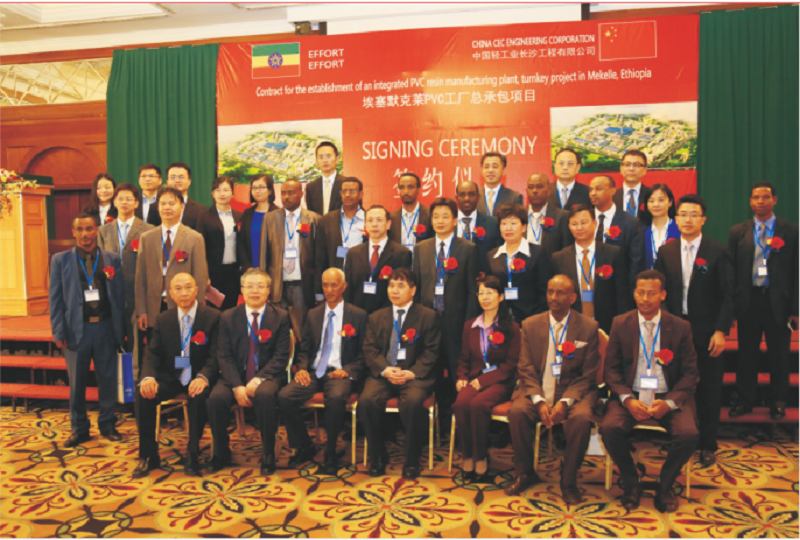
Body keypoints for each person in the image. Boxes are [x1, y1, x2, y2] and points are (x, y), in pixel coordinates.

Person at [601, 270, 700, 514]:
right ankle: (631, 482)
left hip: (667, 396)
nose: (645, 299)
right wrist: (627, 400)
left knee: (689, 434)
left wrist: (669, 403)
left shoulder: (680, 327)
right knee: (609, 428)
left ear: (662, 295)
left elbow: (690, 374)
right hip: (631, 394)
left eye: (651, 293)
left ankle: (664, 486)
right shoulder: (620, 323)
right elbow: (611, 370)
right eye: (640, 292)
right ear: (634, 293)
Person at [654, 194, 734, 468]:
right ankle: (678, 438)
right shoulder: (666, 251)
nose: (687, 219)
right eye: (683, 214)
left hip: (707, 332)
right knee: (673, 386)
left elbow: (728, 295)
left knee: (708, 389)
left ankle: (708, 444)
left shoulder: (717, 251)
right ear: (676, 219)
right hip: (673, 331)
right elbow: (659, 292)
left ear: (703, 219)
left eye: (693, 215)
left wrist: (721, 331)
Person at [505, 275, 599, 503]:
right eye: (550, 292)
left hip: (573, 391)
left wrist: (565, 402)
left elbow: (587, 374)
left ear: (573, 298)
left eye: (560, 293)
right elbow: (525, 367)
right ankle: (525, 472)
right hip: (536, 388)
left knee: (582, 418)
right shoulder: (530, 324)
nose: (553, 297)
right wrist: (538, 400)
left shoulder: (588, 327)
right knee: (517, 411)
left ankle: (568, 480)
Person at [277, 268, 368, 476]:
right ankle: (305, 445)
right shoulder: (314, 314)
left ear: (344, 286)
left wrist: (348, 370)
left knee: (335, 397)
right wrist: (301, 368)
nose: (329, 290)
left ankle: (330, 452)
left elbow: (365, 353)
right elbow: (305, 349)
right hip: (314, 372)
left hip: (339, 373)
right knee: (284, 396)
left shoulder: (358, 315)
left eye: (334, 285)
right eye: (325, 285)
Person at [133, 273, 219, 478]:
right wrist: (148, 377)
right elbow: (152, 352)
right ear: (170, 294)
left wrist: (204, 377)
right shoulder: (163, 319)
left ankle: (193, 453)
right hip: (171, 377)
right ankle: (148, 455)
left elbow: (216, 355)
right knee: (143, 393)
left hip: (198, 376)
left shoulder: (213, 317)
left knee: (198, 396)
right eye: (178, 289)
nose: (184, 293)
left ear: (196, 290)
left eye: (188, 287)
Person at [49, 213, 125, 447]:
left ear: (97, 231)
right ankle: (79, 428)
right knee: (77, 383)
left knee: (108, 380)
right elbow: (55, 299)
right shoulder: (60, 260)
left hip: (105, 328)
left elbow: (120, 297)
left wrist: (120, 330)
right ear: (73, 232)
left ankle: (108, 424)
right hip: (75, 330)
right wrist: (58, 332)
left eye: (89, 229)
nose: (85, 234)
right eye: (80, 229)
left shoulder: (112, 259)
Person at [207, 268, 292, 474]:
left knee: (265, 395)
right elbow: (224, 355)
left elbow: (281, 356)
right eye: (250, 286)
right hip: (235, 374)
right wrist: (237, 385)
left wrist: (258, 379)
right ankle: (221, 451)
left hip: (268, 375)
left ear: (268, 290)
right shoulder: (228, 316)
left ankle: (268, 453)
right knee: (216, 398)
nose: (255, 291)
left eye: (260, 286)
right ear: (242, 290)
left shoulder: (280, 316)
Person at [359, 268, 441, 479]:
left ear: (413, 290)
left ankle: (412, 460)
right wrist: (385, 370)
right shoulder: (376, 317)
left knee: (412, 403)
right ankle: (378, 456)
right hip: (384, 374)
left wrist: (411, 373)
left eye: (400, 286)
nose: (394, 290)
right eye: (391, 285)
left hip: (414, 376)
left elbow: (431, 352)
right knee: (366, 401)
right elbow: (369, 349)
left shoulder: (428, 316)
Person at [728, 182, 798, 420]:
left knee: (779, 355)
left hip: (778, 304)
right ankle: (744, 400)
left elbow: (797, 272)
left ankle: (778, 402)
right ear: (750, 201)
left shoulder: (791, 231)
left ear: (774, 200)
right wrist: (733, 305)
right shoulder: (738, 232)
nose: (760, 201)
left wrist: (795, 309)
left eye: (765, 197)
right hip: (749, 301)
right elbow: (732, 271)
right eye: (756, 197)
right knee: (746, 354)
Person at [414, 197, 479, 411]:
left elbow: (472, 291)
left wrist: (468, 325)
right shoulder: (421, 248)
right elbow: (417, 288)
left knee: (455, 375)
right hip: (428, 323)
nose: (440, 221)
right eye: (436, 217)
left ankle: (456, 420)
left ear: (454, 220)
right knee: (430, 375)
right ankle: (434, 422)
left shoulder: (468, 249)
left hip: (455, 324)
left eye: (445, 216)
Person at [453, 275, 520, 482]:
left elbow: (510, 365)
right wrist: (462, 376)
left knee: (478, 404)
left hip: (500, 381)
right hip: (475, 379)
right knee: (460, 403)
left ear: (501, 297)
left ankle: (481, 456)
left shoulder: (512, 328)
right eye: (481, 293)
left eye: (490, 293)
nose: (485, 297)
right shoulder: (470, 326)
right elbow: (464, 358)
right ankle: (467, 455)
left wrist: (484, 381)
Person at [135, 186, 209, 368]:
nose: (167, 207)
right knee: (156, 353)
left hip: (183, 305)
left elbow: (200, 278)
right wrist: (142, 311)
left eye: (172, 203)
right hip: (154, 306)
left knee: (181, 350)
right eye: (163, 204)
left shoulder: (194, 237)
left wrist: (197, 311)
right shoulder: (147, 237)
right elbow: (140, 278)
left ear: (181, 206)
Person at [98, 183, 154, 368]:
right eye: (120, 199)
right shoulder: (104, 230)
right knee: (113, 335)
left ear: (136, 203)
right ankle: (115, 377)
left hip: (136, 290)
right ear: (114, 202)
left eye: (129, 199)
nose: (124, 202)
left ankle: (134, 377)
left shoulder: (148, 229)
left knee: (135, 337)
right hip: (111, 291)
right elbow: (100, 262)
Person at [551, 205, 629, 334]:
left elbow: (622, 294)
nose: (579, 228)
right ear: (569, 227)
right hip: (571, 324)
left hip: (608, 324)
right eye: (574, 224)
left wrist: (621, 325)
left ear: (595, 223)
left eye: (584, 222)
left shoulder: (613, 253)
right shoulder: (559, 258)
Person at [260, 179, 320, 342]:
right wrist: (264, 286)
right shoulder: (270, 218)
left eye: (291, 193)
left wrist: (318, 290)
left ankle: (302, 358)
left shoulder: (314, 219)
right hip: (277, 287)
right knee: (277, 335)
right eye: (283, 193)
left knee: (302, 335)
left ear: (301, 194)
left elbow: (318, 258)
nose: (286, 197)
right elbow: (264, 254)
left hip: (303, 288)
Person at [487, 203, 552, 321]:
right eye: (504, 223)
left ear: (523, 227)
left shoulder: (537, 253)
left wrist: (539, 317)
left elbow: (544, 290)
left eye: (513, 223)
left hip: (532, 318)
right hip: (501, 319)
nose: (508, 228)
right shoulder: (492, 255)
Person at [344, 205, 412, 314]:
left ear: (388, 224)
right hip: (357, 315)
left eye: (379, 220)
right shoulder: (353, 253)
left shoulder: (401, 254)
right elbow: (348, 290)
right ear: (365, 225)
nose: (374, 224)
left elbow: (402, 290)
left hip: (387, 316)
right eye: (370, 220)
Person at [589, 175, 645, 292]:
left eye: (598, 189)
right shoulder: (584, 219)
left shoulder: (630, 222)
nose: (593, 193)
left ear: (612, 191)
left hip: (618, 289)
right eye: (591, 189)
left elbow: (636, 262)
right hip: (587, 285)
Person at [196, 177, 243, 311]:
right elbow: (200, 248)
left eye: (226, 190)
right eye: (218, 190)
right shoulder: (204, 216)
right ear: (212, 193)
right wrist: (204, 275)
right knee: (213, 311)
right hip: (213, 273)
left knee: (231, 310)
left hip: (233, 273)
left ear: (232, 194)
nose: (222, 194)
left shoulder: (239, 216)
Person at [316, 177, 366, 276]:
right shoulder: (327, 220)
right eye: (344, 191)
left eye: (352, 191)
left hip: (361, 276)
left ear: (361, 194)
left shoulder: (369, 219)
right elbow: (320, 257)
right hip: (334, 278)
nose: (347, 195)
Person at [455, 180, 502, 274]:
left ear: (478, 197)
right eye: (462, 195)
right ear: (456, 198)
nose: (467, 199)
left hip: (483, 279)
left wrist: (488, 276)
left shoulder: (493, 223)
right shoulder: (447, 223)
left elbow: (498, 256)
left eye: (471, 194)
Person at [238, 174, 278, 272]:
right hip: (251, 269)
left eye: (261, 187)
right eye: (254, 188)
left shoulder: (278, 214)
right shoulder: (247, 213)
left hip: (273, 269)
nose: (257, 191)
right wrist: (247, 266)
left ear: (270, 190)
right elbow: (241, 242)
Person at [525, 172, 573, 255]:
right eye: (531, 187)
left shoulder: (563, 217)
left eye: (540, 186)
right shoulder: (518, 216)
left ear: (549, 191)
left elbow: (567, 251)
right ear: (527, 191)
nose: (535, 191)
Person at [640, 184, 680, 270]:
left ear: (670, 202)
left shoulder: (680, 228)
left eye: (661, 200)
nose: (656, 204)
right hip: (647, 276)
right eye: (651, 201)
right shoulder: (640, 230)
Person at [388, 172, 432, 250]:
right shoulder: (391, 217)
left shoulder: (429, 214)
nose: (406, 192)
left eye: (410, 187)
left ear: (418, 190)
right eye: (402, 187)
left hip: (421, 257)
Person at [305, 142, 346, 216]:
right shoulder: (311, 187)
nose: (325, 160)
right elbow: (311, 215)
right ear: (317, 161)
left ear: (337, 159)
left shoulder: (346, 184)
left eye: (328, 156)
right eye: (321, 157)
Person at [477, 152, 523, 217]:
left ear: (503, 171)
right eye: (486, 167)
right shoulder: (474, 196)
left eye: (495, 167)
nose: (490, 170)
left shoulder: (514, 197)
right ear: (482, 171)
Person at [166, 162, 206, 230]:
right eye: (173, 177)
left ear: (189, 181)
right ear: (168, 181)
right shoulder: (155, 207)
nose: (177, 180)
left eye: (181, 177)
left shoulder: (200, 210)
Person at [613, 150, 652, 219]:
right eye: (627, 165)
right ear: (621, 169)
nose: (631, 169)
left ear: (645, 170)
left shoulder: (651, 195)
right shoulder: (611, 197)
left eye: (636, 165)